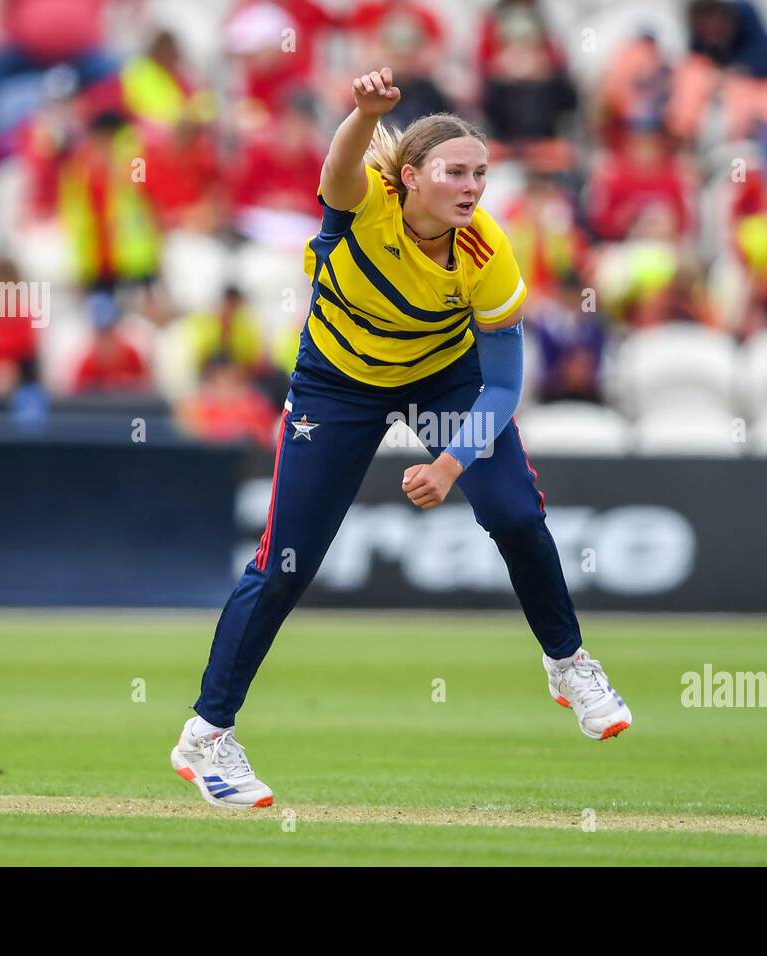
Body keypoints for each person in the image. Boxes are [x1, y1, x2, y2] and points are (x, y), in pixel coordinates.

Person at [170, 68, 633, 809]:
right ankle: (205, 738)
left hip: (441, 381)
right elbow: (337, 168)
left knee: (514, 512)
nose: (474, 187)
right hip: (337, 384)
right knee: (284, 566)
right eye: (456, 172)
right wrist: (361, 112)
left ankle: (569, 662)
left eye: (482, 173)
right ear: (411, 177)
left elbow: (505, 385)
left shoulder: (487, 253)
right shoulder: (367, 202)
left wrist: (450, 464)